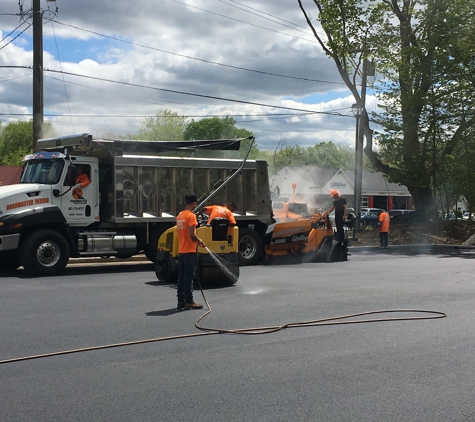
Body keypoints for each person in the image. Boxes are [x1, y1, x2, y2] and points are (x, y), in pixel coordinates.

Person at [176, 193, 206, 310]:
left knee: (181, 277)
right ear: (194, 203)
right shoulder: (191, 216)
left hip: (181, 250)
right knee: (189, 277)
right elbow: (192, 235)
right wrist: (200, 241)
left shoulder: (180, 216)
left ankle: (180, 301)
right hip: (189, 250)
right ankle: (189, 301)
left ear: (185, 202)